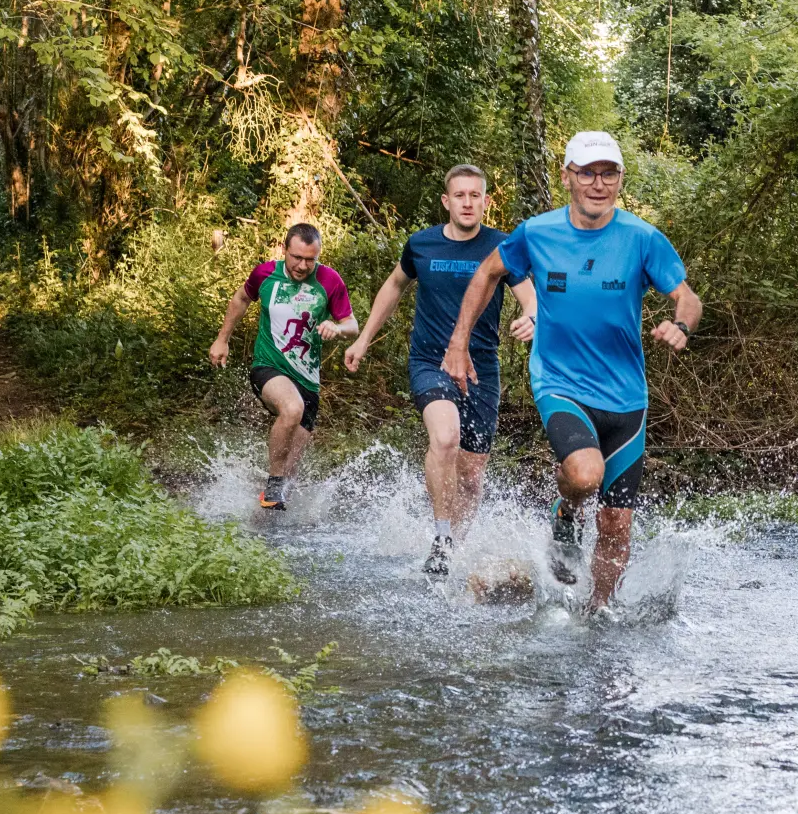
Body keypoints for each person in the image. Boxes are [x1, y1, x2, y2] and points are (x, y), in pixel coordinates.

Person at [442, 131, 702, 613]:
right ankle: (565, 513)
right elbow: (488, 273)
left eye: (609, 174)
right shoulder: (537, 233)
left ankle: (596, 611)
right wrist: (459, 343)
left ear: (620, 179)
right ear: (567, 177)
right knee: (584, 475)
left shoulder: (642, 238)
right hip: (560, 383)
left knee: (617, 523)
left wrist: (681, 324)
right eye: (587, 173)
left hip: (626, 397)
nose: (598, 184)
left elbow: (687, 297)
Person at [343, 164, 538, 575]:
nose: (467, 203)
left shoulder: (501, 246)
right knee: (445, 438)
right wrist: (364, 339)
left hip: (481, 368)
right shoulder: (422, 244)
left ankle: (454, 550)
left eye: (475, 195)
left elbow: (529, 295)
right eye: (460, 196)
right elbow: (394, 285)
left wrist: (532, 317)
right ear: (447, 201)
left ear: (486, 202)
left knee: (471, 475)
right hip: (429, 361)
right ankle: (442, 536)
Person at [209, 223, 359, 510]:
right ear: (284, 249)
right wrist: (222, 339)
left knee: (289, 474)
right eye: (297, 257)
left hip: (307, 379)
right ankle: (273, 483)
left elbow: (352, 325)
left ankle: (265, 520)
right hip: (269, 366)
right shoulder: (265, 274)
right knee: (291, 408)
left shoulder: (329, 281)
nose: (302, 266)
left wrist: (337, 328)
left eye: (310, 260)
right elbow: (241, 298)